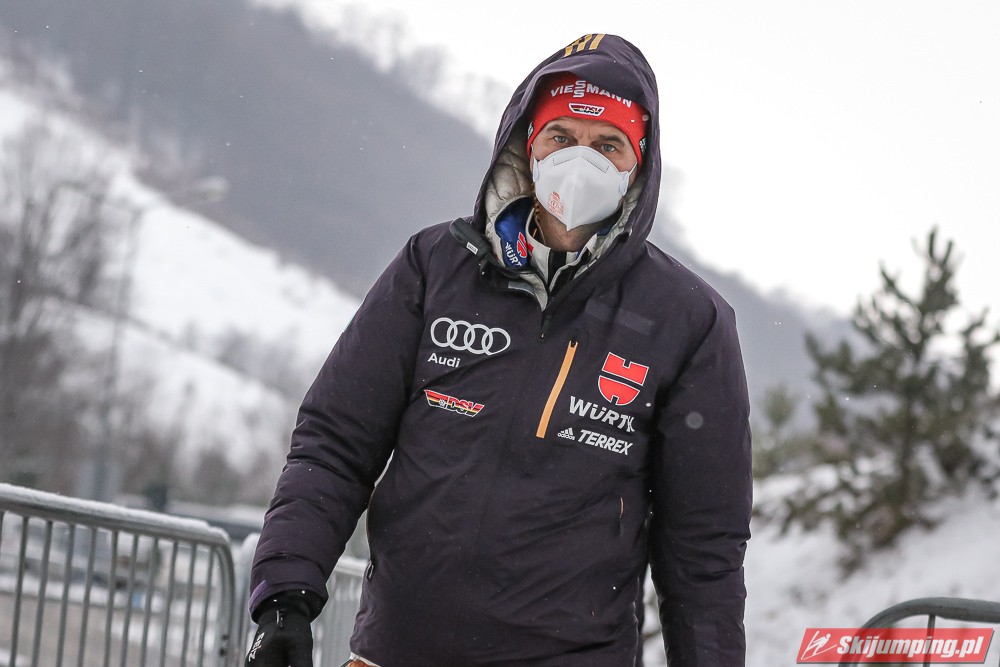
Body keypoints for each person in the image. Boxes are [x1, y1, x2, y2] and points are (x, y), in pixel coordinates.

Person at [245, 33, 752, 667]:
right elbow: (335, 442)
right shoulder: (434, 268)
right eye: (561, 136)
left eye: (608, 145)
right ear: (527, 143)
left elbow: (703, 548)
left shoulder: (688, 321)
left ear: (639, 165)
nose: (580, 161)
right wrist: (285, 596)